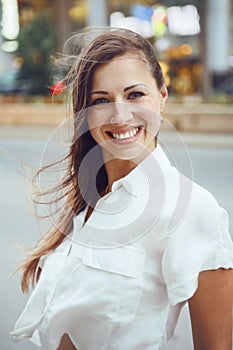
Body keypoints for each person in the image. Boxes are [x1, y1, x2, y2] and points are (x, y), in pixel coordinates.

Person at [12, 27, 233, 350]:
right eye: (101, 100)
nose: (120, 115)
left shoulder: (192, 209)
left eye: (135, 95)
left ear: (162, 98)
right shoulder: (91, 201)